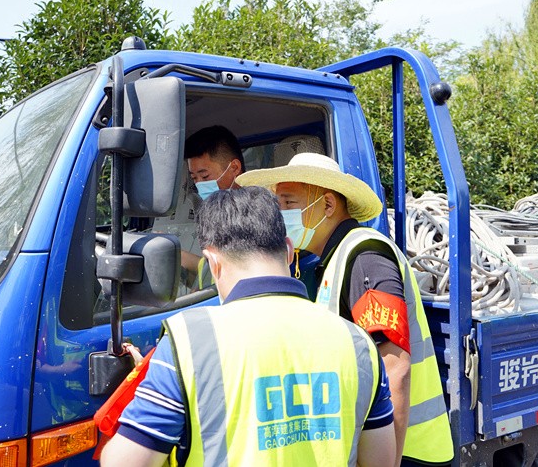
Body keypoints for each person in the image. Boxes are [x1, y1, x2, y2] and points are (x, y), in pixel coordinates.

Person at [100, 187, 396, 467]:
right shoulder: (357, 342)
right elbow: (380, 460)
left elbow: (121, 462)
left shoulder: (189, 342)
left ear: (212, 262)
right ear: (289, 250)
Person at [236, 152, 454, 467]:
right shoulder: (334, 259)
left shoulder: (365, 255)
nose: (281, 215)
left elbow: (395, 367)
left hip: (407, 453)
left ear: (327, 205)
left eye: (289, 203)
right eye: (278, 205)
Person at [180, 125, 245, 281]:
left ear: (234, 168)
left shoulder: (255, 213)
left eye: (205, 176)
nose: (200, 185)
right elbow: (216, 271)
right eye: (194, 178)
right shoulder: (216, 212)